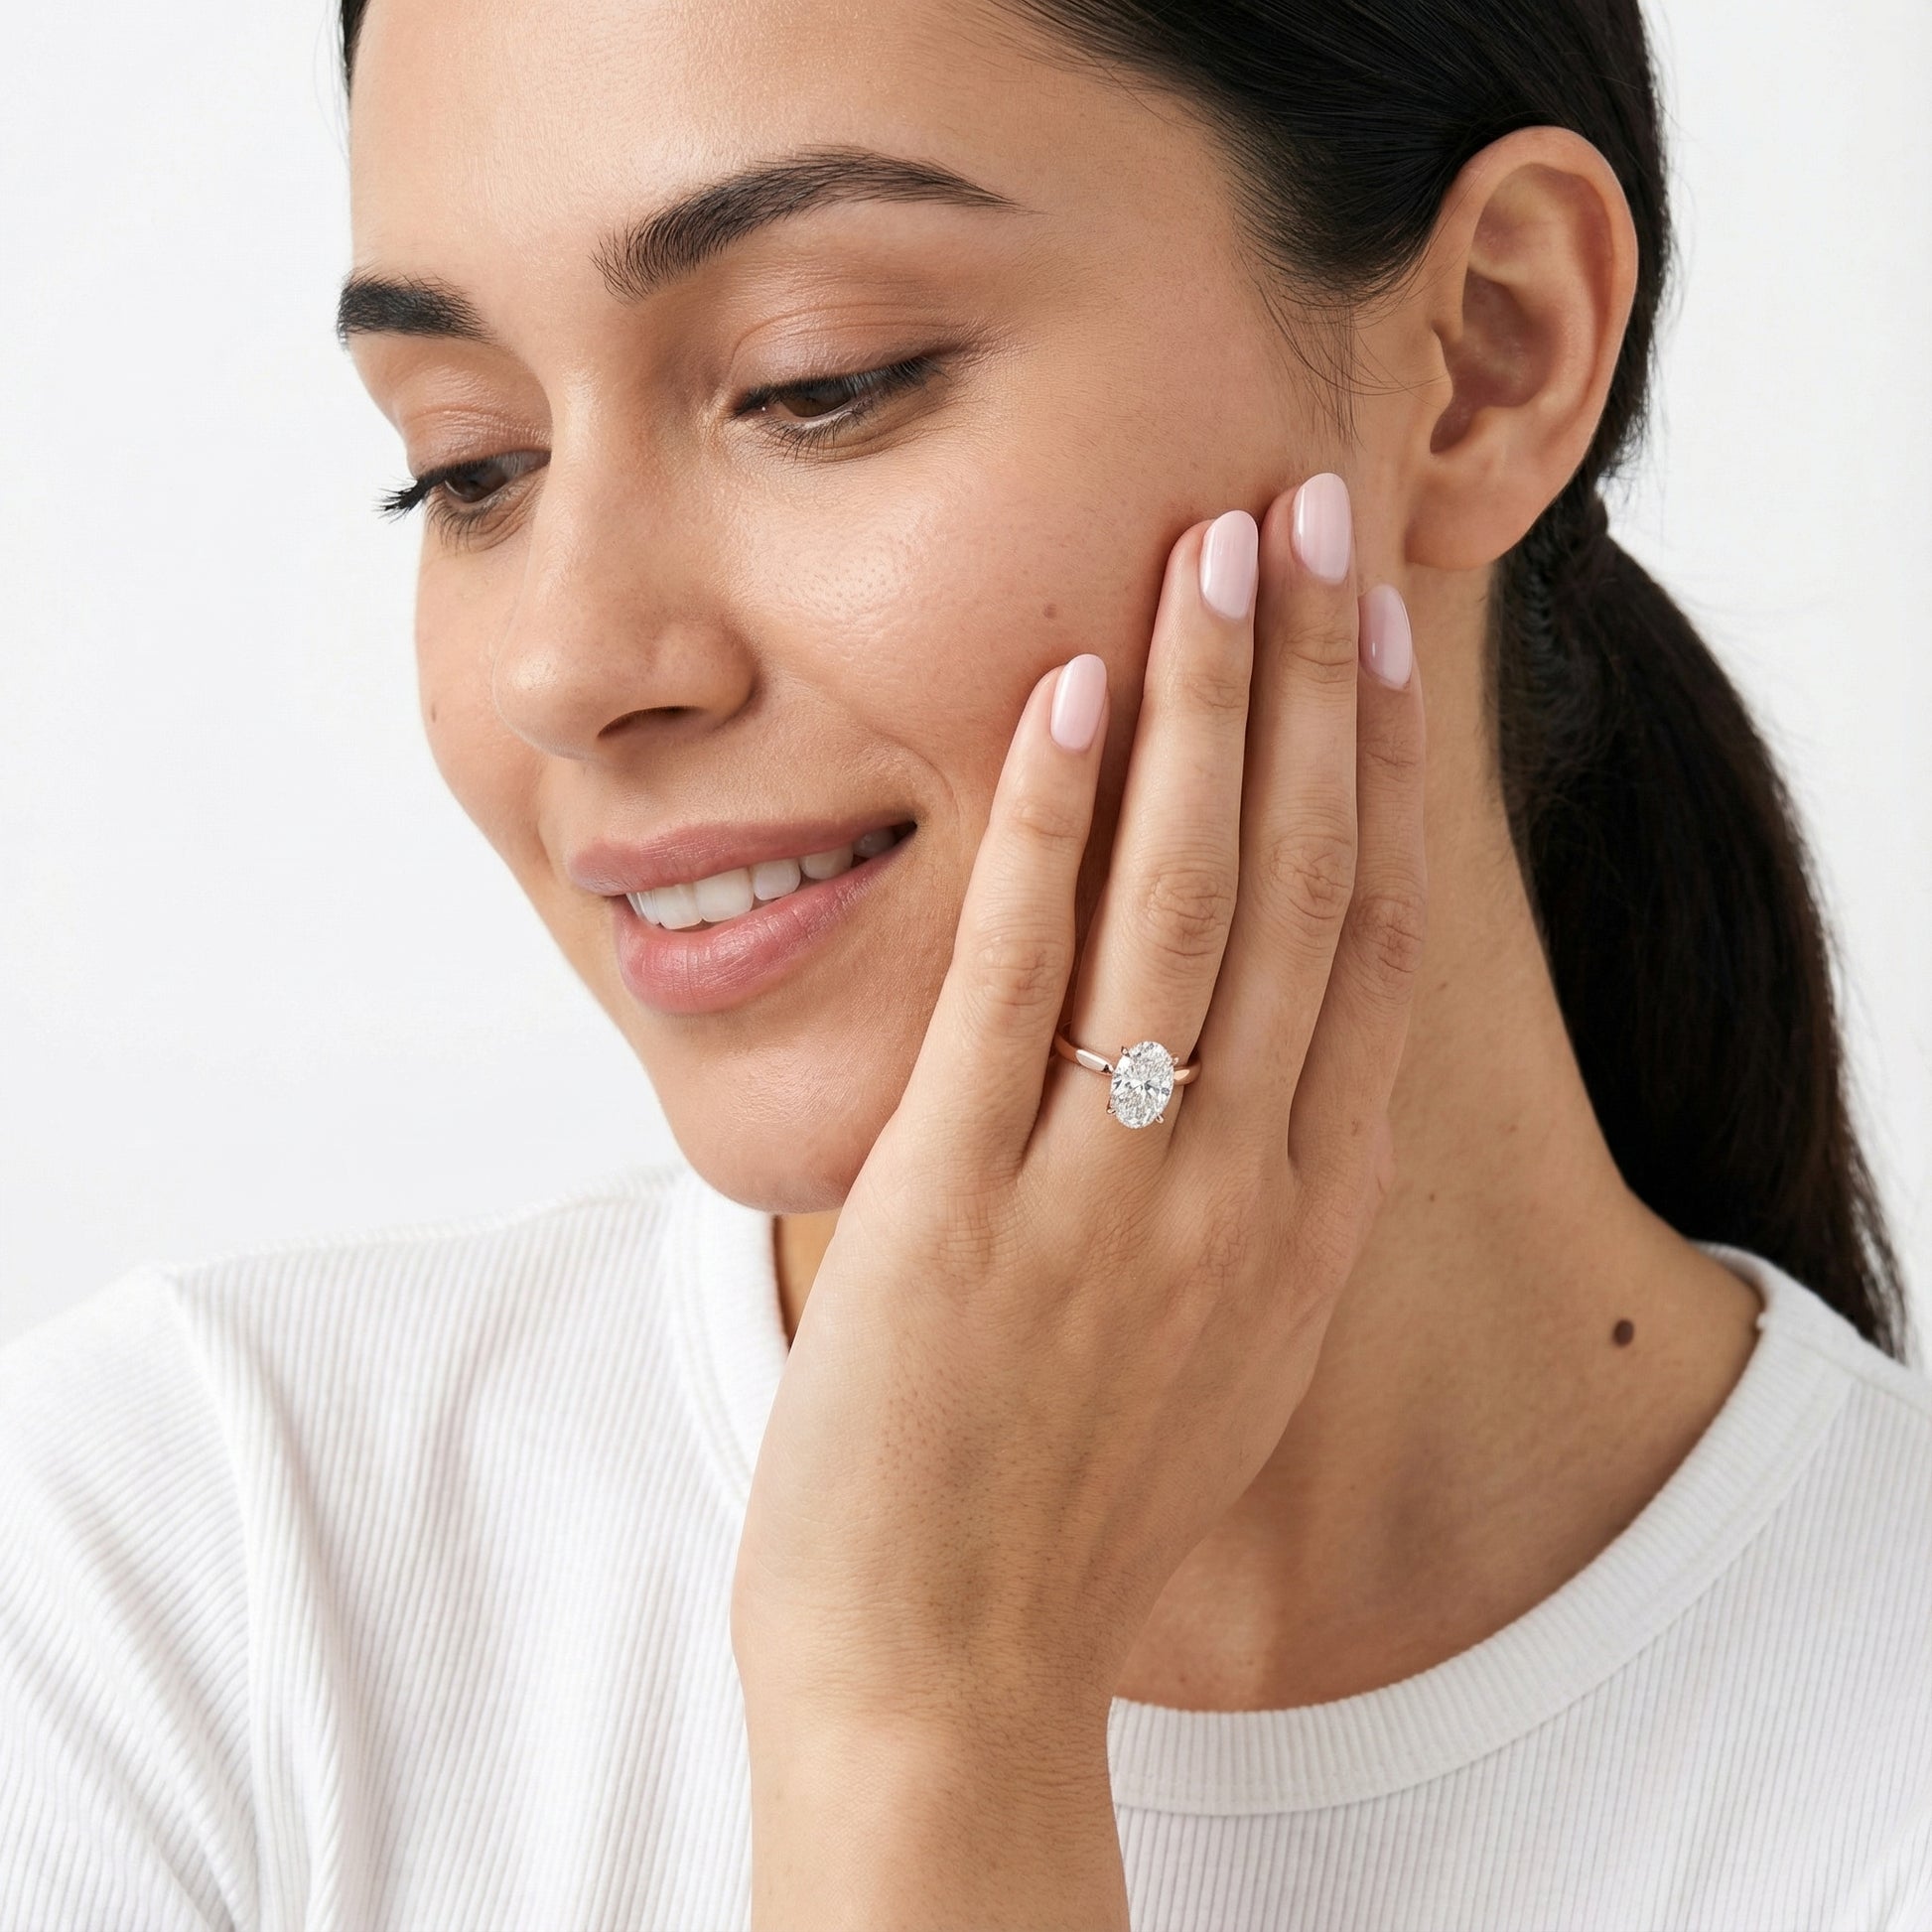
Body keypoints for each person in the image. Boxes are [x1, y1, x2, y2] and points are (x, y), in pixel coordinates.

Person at [3, 0, 1927, 1926]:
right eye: (469, 466)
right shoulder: (180, 1595)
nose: (569, 664)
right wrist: (919, 1704)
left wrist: (933, 1717)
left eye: (816, 380)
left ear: (1488, 353)